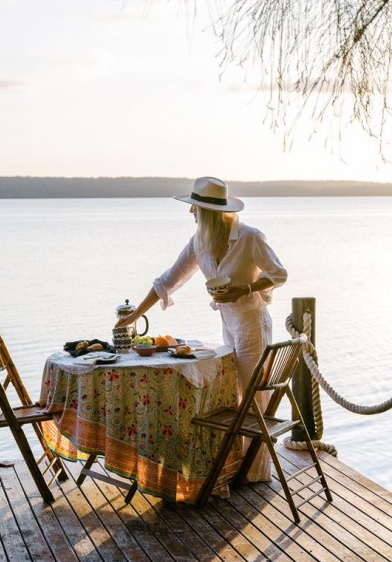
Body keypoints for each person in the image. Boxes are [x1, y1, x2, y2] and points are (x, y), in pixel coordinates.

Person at [115, 176, 287, 482]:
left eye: (195, 208)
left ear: (208, 212)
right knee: (235, 395)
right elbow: (168, 279)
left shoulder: (249, 237)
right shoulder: (200, 242)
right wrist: (135, 316)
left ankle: (256, 473)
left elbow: (279, 274)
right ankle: (240, 465)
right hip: (228, 324)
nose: (190, 213)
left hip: (252, 323)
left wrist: (244, 288)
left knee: (252, 396)